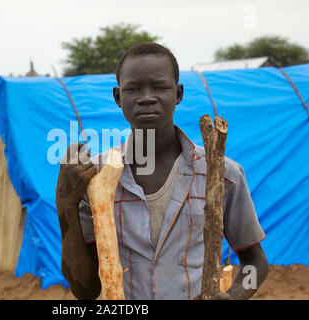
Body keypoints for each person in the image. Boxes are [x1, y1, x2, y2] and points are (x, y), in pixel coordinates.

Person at [56, 43, 268, 300]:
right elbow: (85, 290)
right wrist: (65, 203)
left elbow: (255, 263)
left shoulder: (221, 174)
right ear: (117, 97)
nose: (146, 97)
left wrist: (234, 296)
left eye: (159, 87)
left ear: (178, 94)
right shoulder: (95, 180)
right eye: (133, 89)